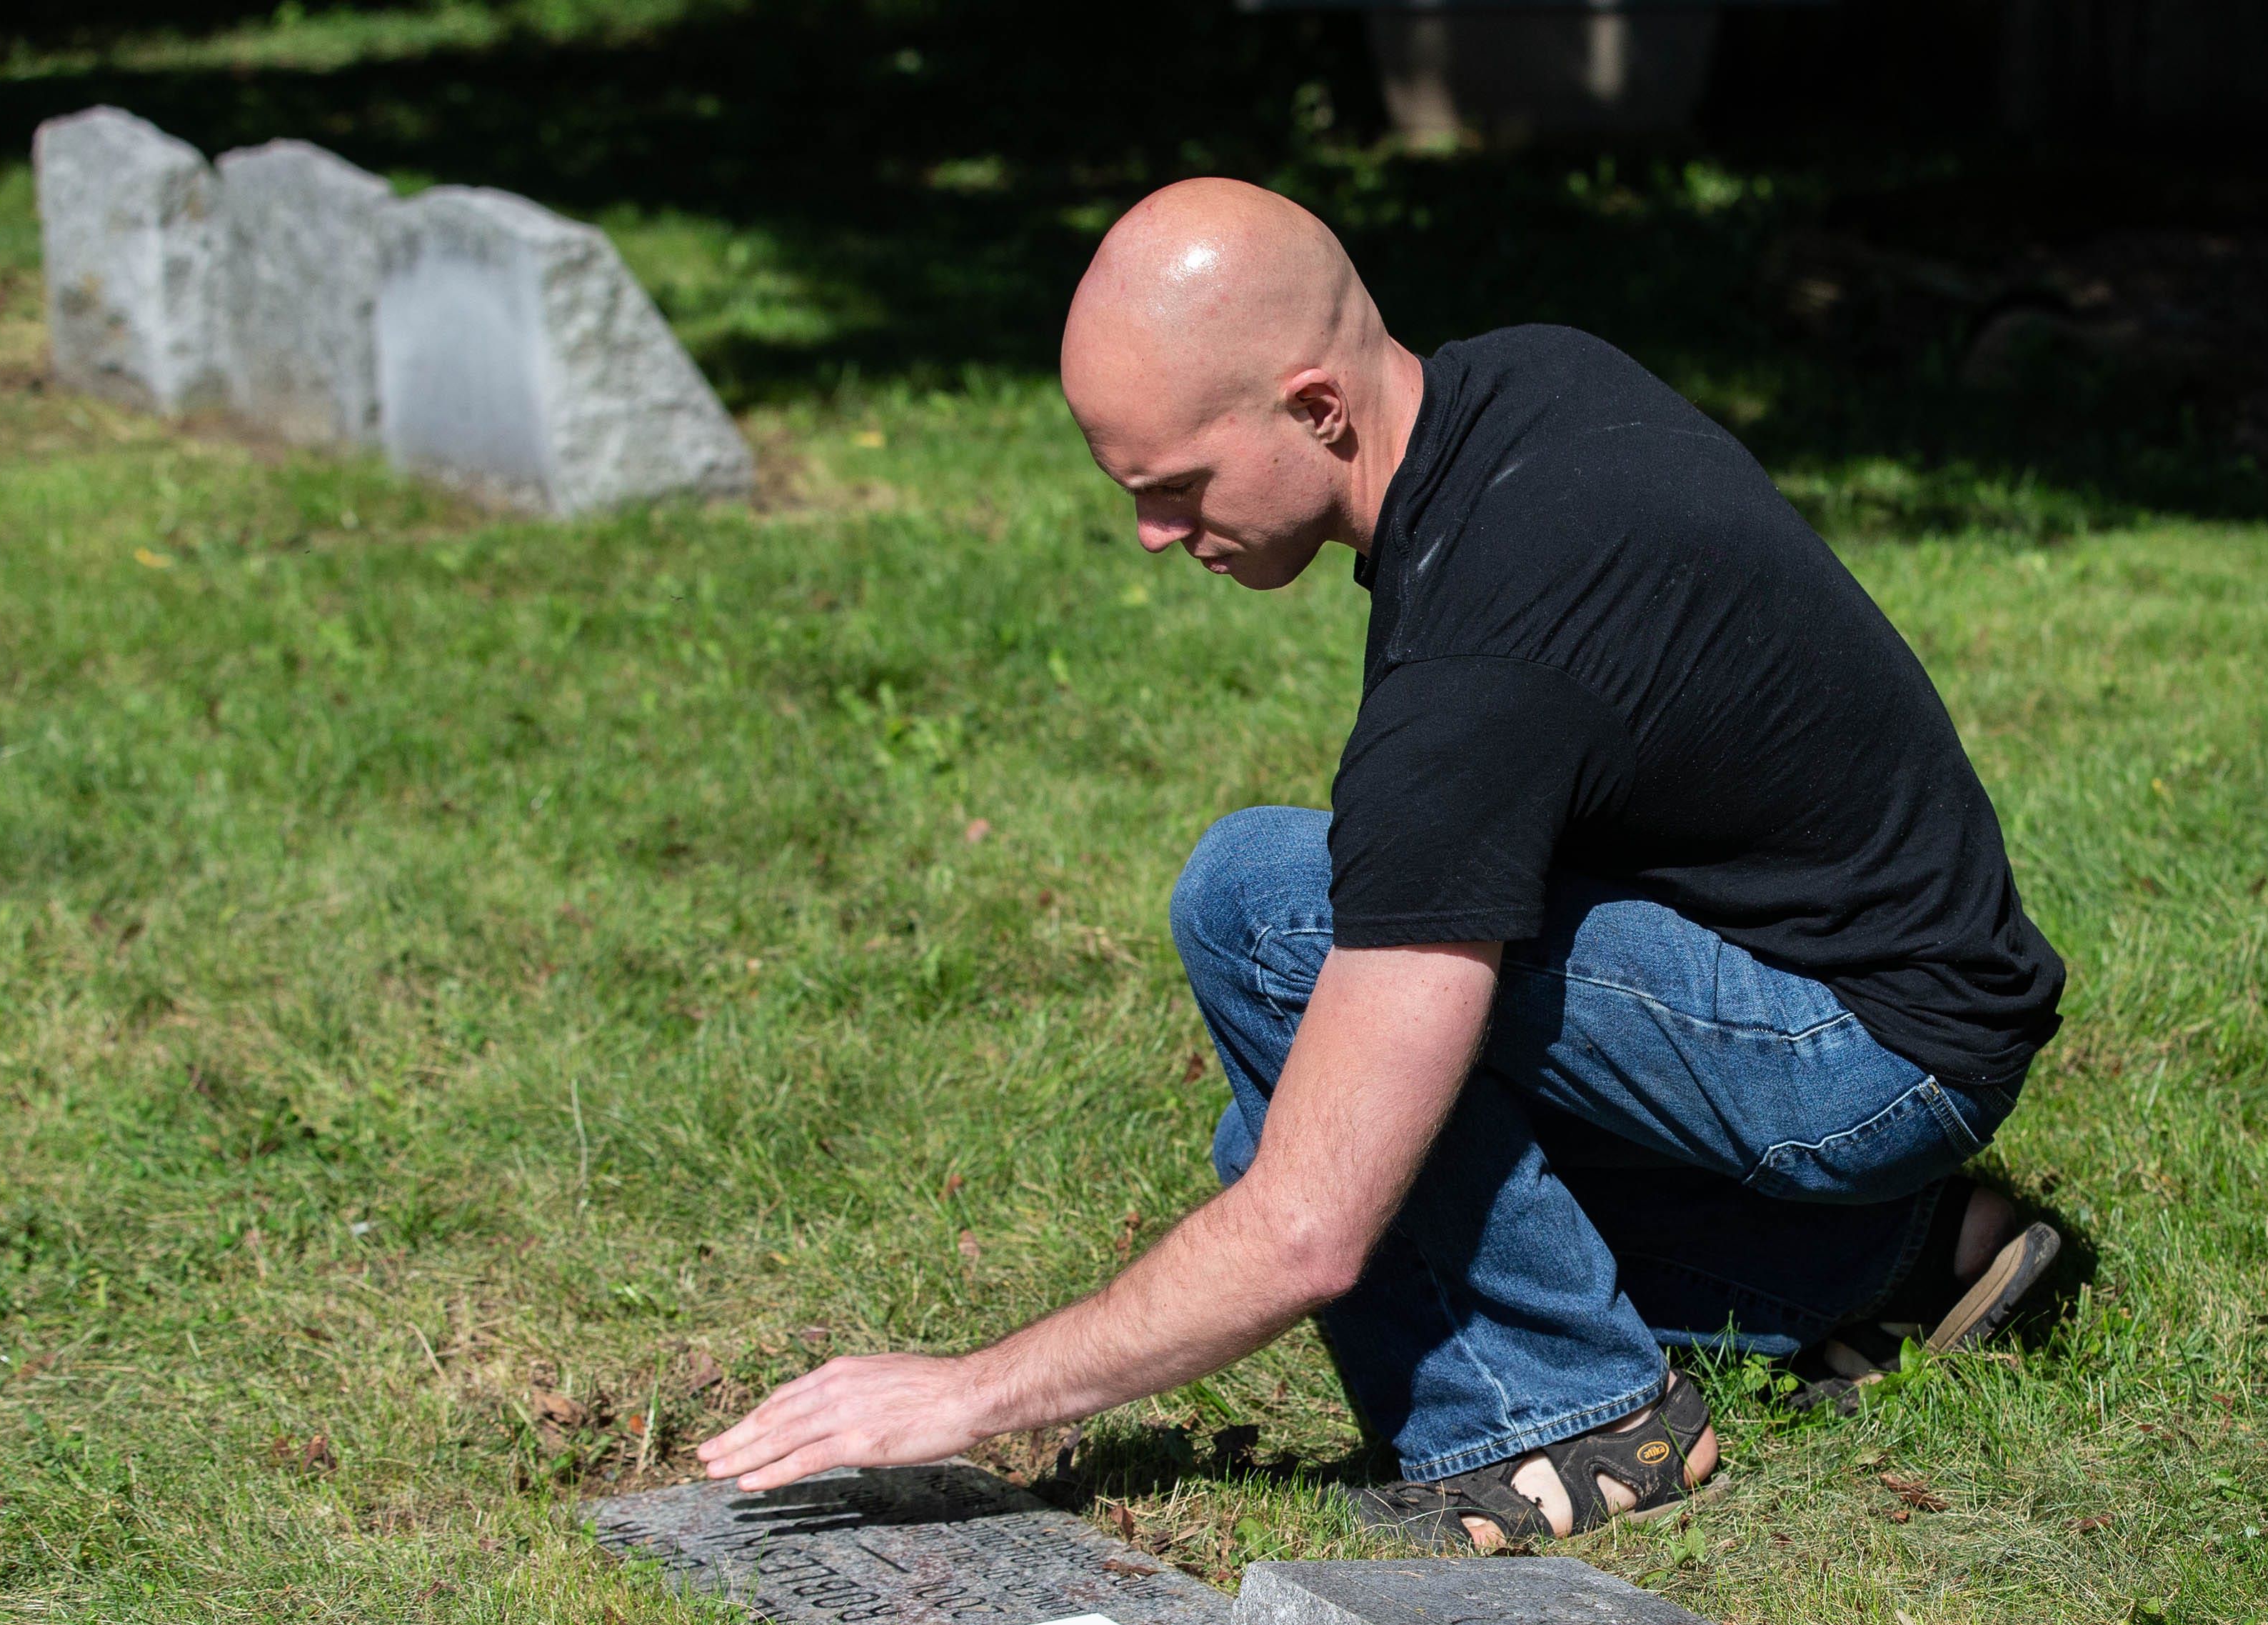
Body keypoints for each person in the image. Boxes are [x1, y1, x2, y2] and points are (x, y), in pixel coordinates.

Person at [700, 179, 2067, 1551]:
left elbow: (1308, 1233)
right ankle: (1872, 1259)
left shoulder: (1475, 684)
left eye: (1177, 485)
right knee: (1295, 1135)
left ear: (1317, 409)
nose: (1155, 535)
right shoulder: (1528, 382)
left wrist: (968, 1394)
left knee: (1261, 915)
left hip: (1863, 1055)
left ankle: (1565, 1424)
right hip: (1901, 995)